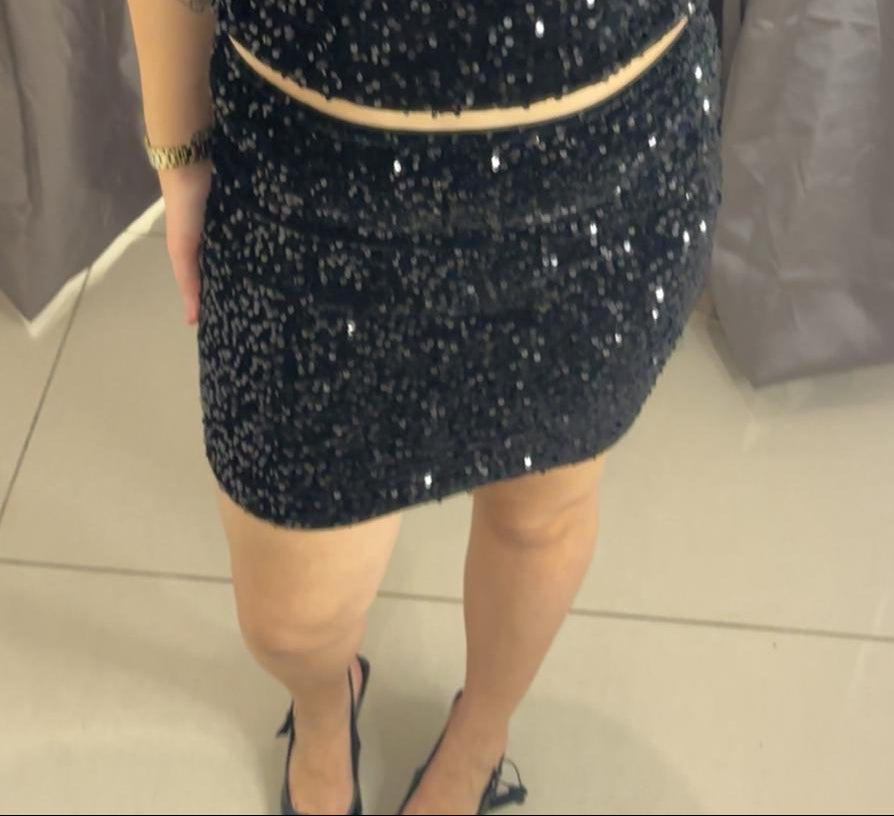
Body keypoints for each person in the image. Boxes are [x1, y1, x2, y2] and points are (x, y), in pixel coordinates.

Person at [127, 1, 721, 813]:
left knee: (539, 518)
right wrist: (179, 148)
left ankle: (480, 737)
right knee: (290, 619)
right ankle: (323, 710)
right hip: (309, 181)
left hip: (608, 171)